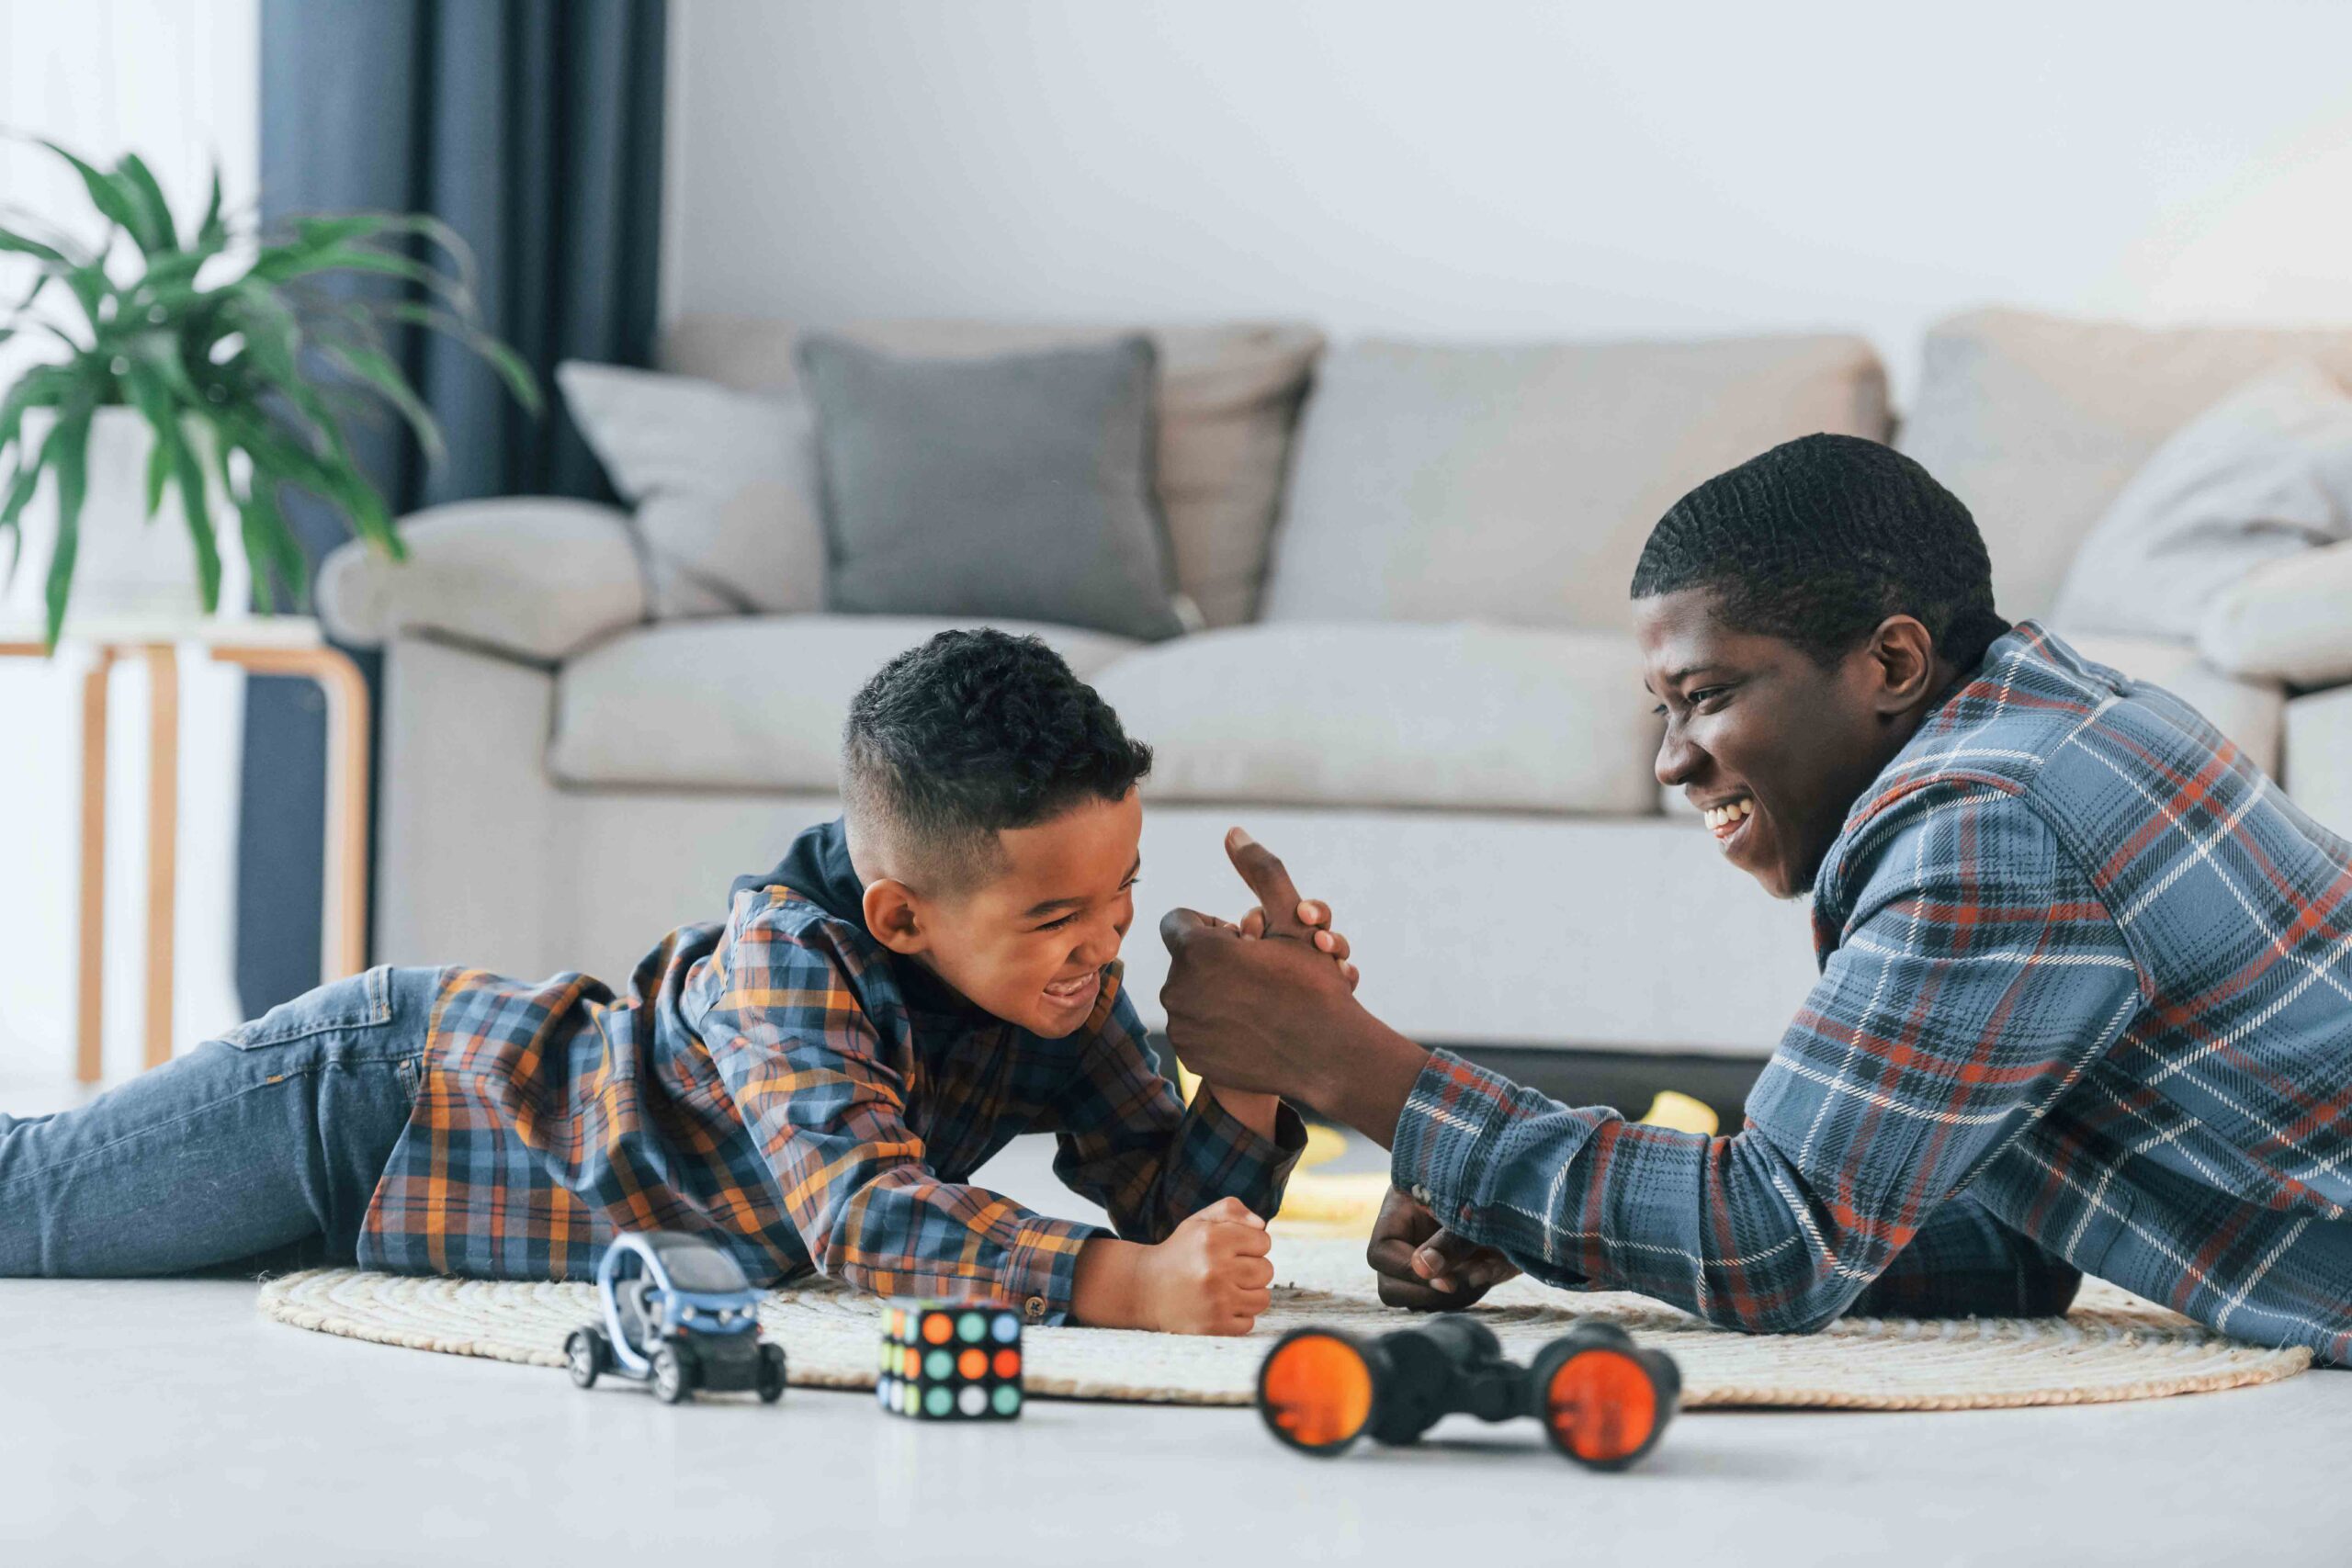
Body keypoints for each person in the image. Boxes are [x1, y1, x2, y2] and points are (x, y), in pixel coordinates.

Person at [1160, 434, 2351, 1365]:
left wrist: (1350, 1065)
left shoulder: (1990, 819)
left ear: (1889, 665)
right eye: (1661, 710)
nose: (1673, 760)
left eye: (1709, 694)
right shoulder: (2053, 723)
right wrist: (1536, 1216)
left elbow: (1777, 1243)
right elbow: (1997, 1241)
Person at [1, 629, 1338, 1336]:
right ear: (901, 915)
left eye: (1123, 893)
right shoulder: (789, 961)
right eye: (1060, 914)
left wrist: (1253, 1064)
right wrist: (1114, 1286)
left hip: (410, 1221)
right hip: (373, 1110)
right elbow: (866, 1223)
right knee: (30, 1205)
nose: (1106, 943)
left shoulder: (1059, 978)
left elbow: (1180, 1224)